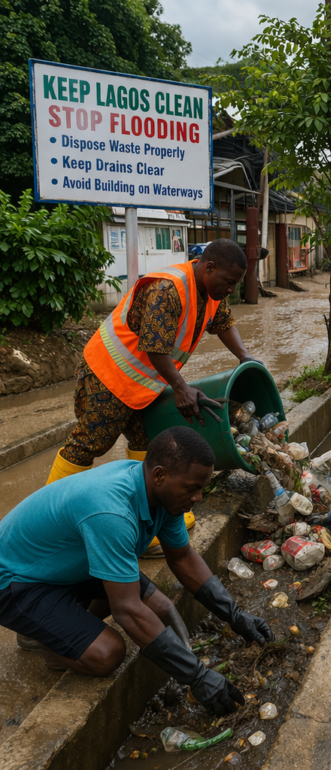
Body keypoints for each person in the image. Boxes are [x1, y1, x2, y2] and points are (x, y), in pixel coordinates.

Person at [0, 427, 273, 716]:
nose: (198, 498)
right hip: (16, 581)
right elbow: (126, 610)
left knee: (156, 604)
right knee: (107, 653)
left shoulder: (164, 496)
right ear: (159, 475)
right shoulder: (112, 511)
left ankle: (65, 628)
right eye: (192, 488)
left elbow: (182, 558)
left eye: (201, 488)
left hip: (61, 565)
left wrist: (235, 615)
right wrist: (197, 676)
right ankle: (53, 644)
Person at [47, 239, 260, 487]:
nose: (232, 290)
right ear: (209, 267)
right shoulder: (168, 290)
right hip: (108, 375)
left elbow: (223, 323)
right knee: (91, 442)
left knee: (150, 441)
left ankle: (149, 507)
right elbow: (155, 346)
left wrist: (245, 356)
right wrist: (181, 388)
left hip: (144, 385)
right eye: (230, 282)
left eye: (236, 284)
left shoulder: (212, 292)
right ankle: (50, 510)